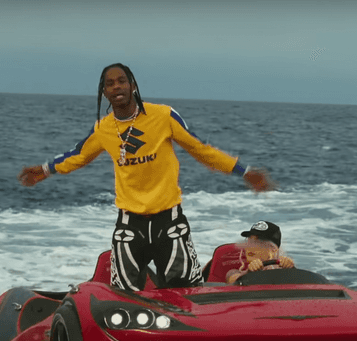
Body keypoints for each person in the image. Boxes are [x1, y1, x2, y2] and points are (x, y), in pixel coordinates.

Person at [18, 63, 276, 291]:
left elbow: (200, 149)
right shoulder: (103, 128)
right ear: (104, 92)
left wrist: (244, 171)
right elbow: (78, 155)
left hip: (169, 221)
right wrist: (44, 170)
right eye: (110, 83)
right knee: (123, 295)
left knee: (186, 292)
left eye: (122, 81)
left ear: (133, 86)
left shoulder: (163, 115)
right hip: (130, 225)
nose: (116, 86)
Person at [226, 221, 294, 284]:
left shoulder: (284, 270)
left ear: (273, 248)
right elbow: (231, 280)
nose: (250, 247)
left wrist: (290, 269)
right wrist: (248, 272)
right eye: (249, 241)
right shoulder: (235, 272)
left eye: (257, 243)